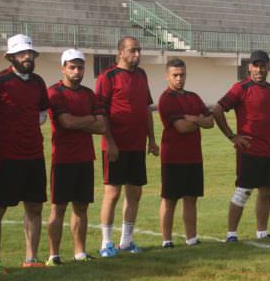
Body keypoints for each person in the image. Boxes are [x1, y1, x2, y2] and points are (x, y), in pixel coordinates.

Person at [95, 36, 158, 257]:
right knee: (112, 193)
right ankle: (106, 243)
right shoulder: (108, 76)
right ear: (121, 52)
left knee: (135, 192)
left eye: (139, 50)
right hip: (116, 145)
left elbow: (146, 109)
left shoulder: (141, 75)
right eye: (133, 50)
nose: (137, 55)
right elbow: (101, 112)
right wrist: (110, 142)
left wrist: (151, 139)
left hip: (137, 145)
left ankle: (126, 241)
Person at [212, 50, 270, 242]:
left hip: (267, 150)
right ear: (249, 67)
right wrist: (232, 136)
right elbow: (217, 110)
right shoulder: (240, 88)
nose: (259, 69)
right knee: (243, 191)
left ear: (269, 67)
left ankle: (261, 232)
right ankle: (231, 234)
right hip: (248, 150)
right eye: (255, 65)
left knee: (267, 191)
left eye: (262, 66)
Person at [0, 34, 50, 272]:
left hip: (34, 155)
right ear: (11, 57)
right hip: (5, 156)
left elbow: (41, 114)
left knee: (35, 207)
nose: (27, 57)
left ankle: (31, 258)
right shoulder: (0, 82)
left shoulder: (38, 82)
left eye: (30, 53)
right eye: (22, 53)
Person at [45, 49, 107, 265]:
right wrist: (90, 119)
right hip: (63, 158)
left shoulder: (90, 94)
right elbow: (66, 123)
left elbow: (102, 126)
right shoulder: (54, 92)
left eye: (80, 67)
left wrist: (82, 122)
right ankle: (54, 255)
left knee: (81, 207)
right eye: (72, 67)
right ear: (63, 68)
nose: (77, 71)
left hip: (85, 158)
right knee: (59, 207)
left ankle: (80, 253)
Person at [157, 58, 214, 248]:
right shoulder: (166, 99)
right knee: (170, 199)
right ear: (167, 76)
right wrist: (198, 120)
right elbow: (182, 127)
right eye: (175, 75)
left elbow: (210, 122)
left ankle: (191, 238)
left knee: (191, 198)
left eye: (182, 75)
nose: (179, 79)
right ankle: (167, 240)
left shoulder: (194, 97)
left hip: (194, 156)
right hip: (173, 157)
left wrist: (193, 118)